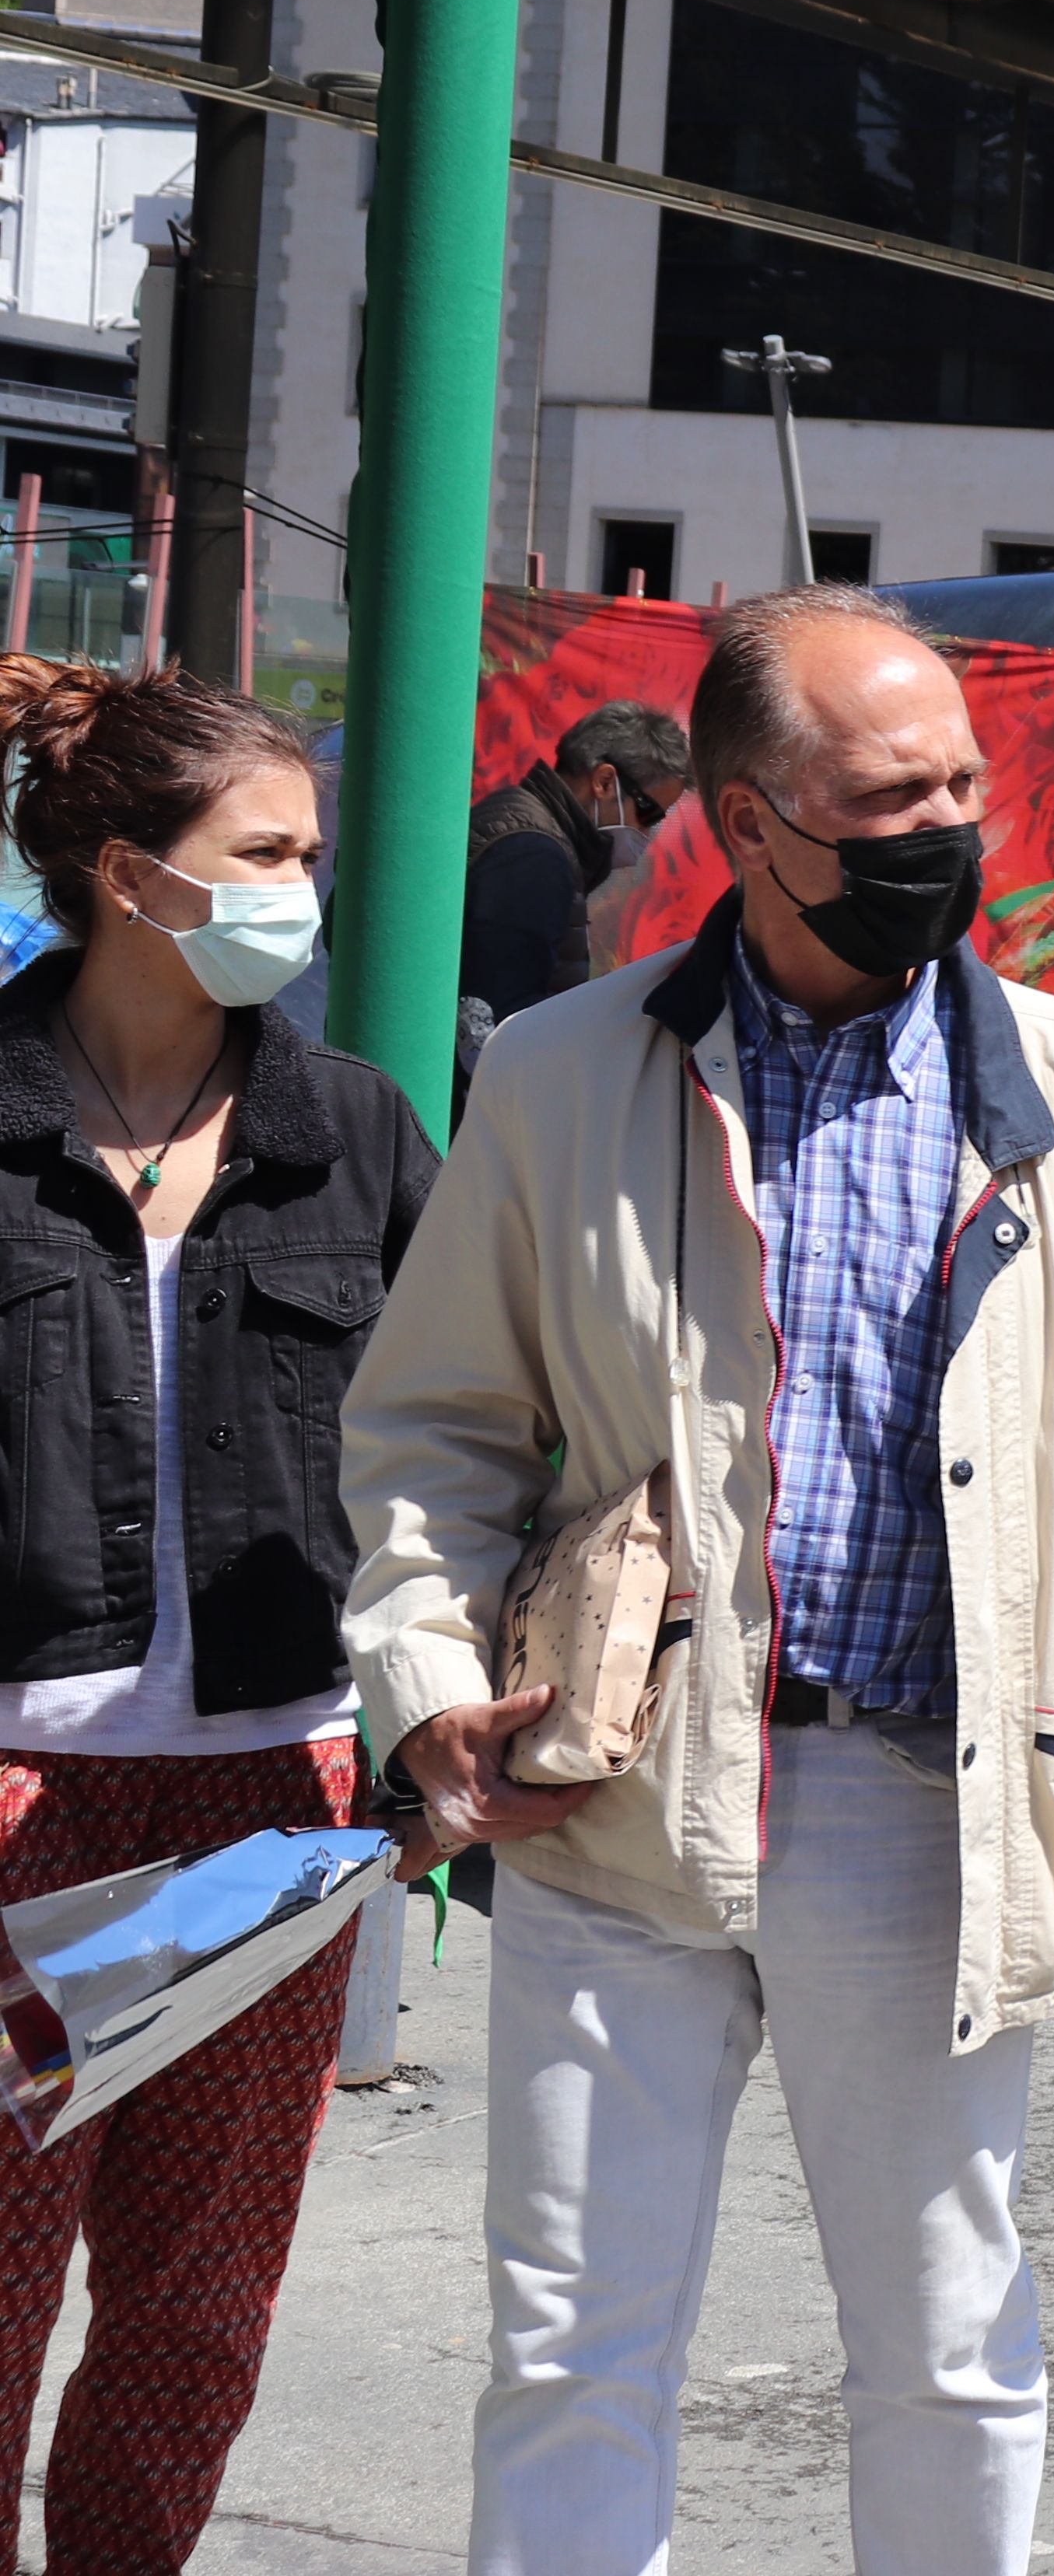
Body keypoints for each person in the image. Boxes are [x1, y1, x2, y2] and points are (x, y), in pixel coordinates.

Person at [341, 584, 1054, 2576]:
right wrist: (426, 1677)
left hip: (931, 1803)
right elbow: (433, 1429)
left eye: (964, 782)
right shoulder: (555, 1076)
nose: (950, 827)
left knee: (949, 2342)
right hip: (613, 1793)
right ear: (746, 814)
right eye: (890, 794)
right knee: (570, 2340)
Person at [0, 664, 422, 2571]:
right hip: (17, 1806)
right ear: (128, 875)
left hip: (270, 1806)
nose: (300, 892)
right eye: (263, 854)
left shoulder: (352, 1129)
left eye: (311, 857)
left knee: (192, 2316)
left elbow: (469, 1433)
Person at [460, 700, 691, 1022]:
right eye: (648, 813)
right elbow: (494, 1018)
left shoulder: (530, 830)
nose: (647, 832)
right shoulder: (534, 855)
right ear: (605, 782)